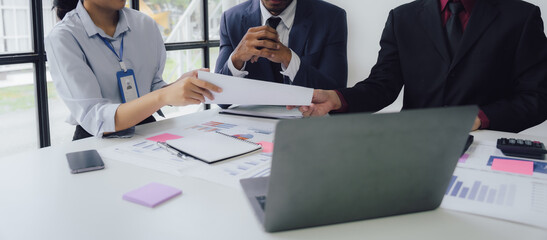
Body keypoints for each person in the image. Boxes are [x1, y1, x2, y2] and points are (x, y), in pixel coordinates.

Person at [294, 0, 547, 133]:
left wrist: (480, 118)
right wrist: (337, 98)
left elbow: (538, 97)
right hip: (413, 144)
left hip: (484, 144)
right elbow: (382, 86)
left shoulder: (521, 17)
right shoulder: (402, 17)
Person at [46, 0, 222, 140]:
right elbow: (97, 120)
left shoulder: (145, 24)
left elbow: (152, 87)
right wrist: (164, 96)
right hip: (95, 140)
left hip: (146, 129)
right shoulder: (64, 37)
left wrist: (177, 87)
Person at [215, 0, 348, 90]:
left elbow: (337, 94)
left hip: (307, 125)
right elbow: (218, 96)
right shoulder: (231, 19)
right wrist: (236, 59)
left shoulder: (331, 17)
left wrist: (290, 60)